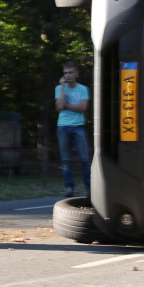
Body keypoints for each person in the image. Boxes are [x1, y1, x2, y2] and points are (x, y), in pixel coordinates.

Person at [55, 61, 90, 197]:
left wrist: (65, 105)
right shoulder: (59, 88)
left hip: (78, 127)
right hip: (63, 127)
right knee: (66, 160)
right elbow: (58, 107)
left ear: (76, 73)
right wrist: (63, 87)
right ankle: (69, 188)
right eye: (65, 73)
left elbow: (83, 107)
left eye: (70, 72)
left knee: (85, 160)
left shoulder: (83, 89)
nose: (68, 75)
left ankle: (89, 188)